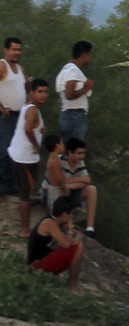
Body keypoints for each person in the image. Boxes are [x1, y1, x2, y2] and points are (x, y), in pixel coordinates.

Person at [8, 78, 48, 238]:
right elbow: (27, 128)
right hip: (25, 159)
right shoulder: (32, 109)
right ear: (31, 93)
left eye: (45, 91)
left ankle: (24, 226)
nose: (43, 95)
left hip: (17, 154)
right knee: (26, 194)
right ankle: (25, 230)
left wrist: (40, 130)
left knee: (25, 191)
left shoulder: (28, 106)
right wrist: (36, 144)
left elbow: (32, 126)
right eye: (39, 91)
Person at [28, 195, 84, 294]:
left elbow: (74, 236)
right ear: (63, 213)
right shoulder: (49, 223)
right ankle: (72, 286)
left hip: (41, 261)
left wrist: (70, 231)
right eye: (71, 214)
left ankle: (74, 283)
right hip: (36, 267)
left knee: (76, 244)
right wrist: (70, 231)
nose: (72, 217)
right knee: (79, 247)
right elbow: (66, 244)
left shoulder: (56, 221)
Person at [0, 37, 27, 196]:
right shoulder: (2, 65)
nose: (17, 52)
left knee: (16, 150)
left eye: (19, 49)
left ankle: (11, 184)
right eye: (14, 49)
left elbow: (26, 87)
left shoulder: (20, 68)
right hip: (6, 116)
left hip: (19, 116)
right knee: (4, 150)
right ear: (6, 50)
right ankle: (4, 184)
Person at [56, 40, 93, 144]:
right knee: (74, 150)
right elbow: (69, 94)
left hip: (70, 115)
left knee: (68, 149)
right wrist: (87, 88)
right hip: (75, 116)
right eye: (89, 54)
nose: (90, 58)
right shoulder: (73, 71)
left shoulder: (66, 69)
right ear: (84, 54)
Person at [59, 138, 97, 238]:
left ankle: (90, 228)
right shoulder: (60, 162)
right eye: (79, 153)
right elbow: (58, 183)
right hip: (58, 193)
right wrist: (79, 180)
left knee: (92, 189)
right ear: (70, 153)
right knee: (63, 191)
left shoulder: (80, 162)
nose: (82, 156)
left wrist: (68, 184)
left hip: (72, 191)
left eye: (83, 153)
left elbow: (87, 180)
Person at [41, 135, 66, 211]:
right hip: (56, 191)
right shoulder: (55, 161)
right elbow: (59, 178)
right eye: (62, 143)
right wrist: (64, 190)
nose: (63, 145)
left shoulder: (50, 159)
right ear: (57, 145)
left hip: (52, 190)